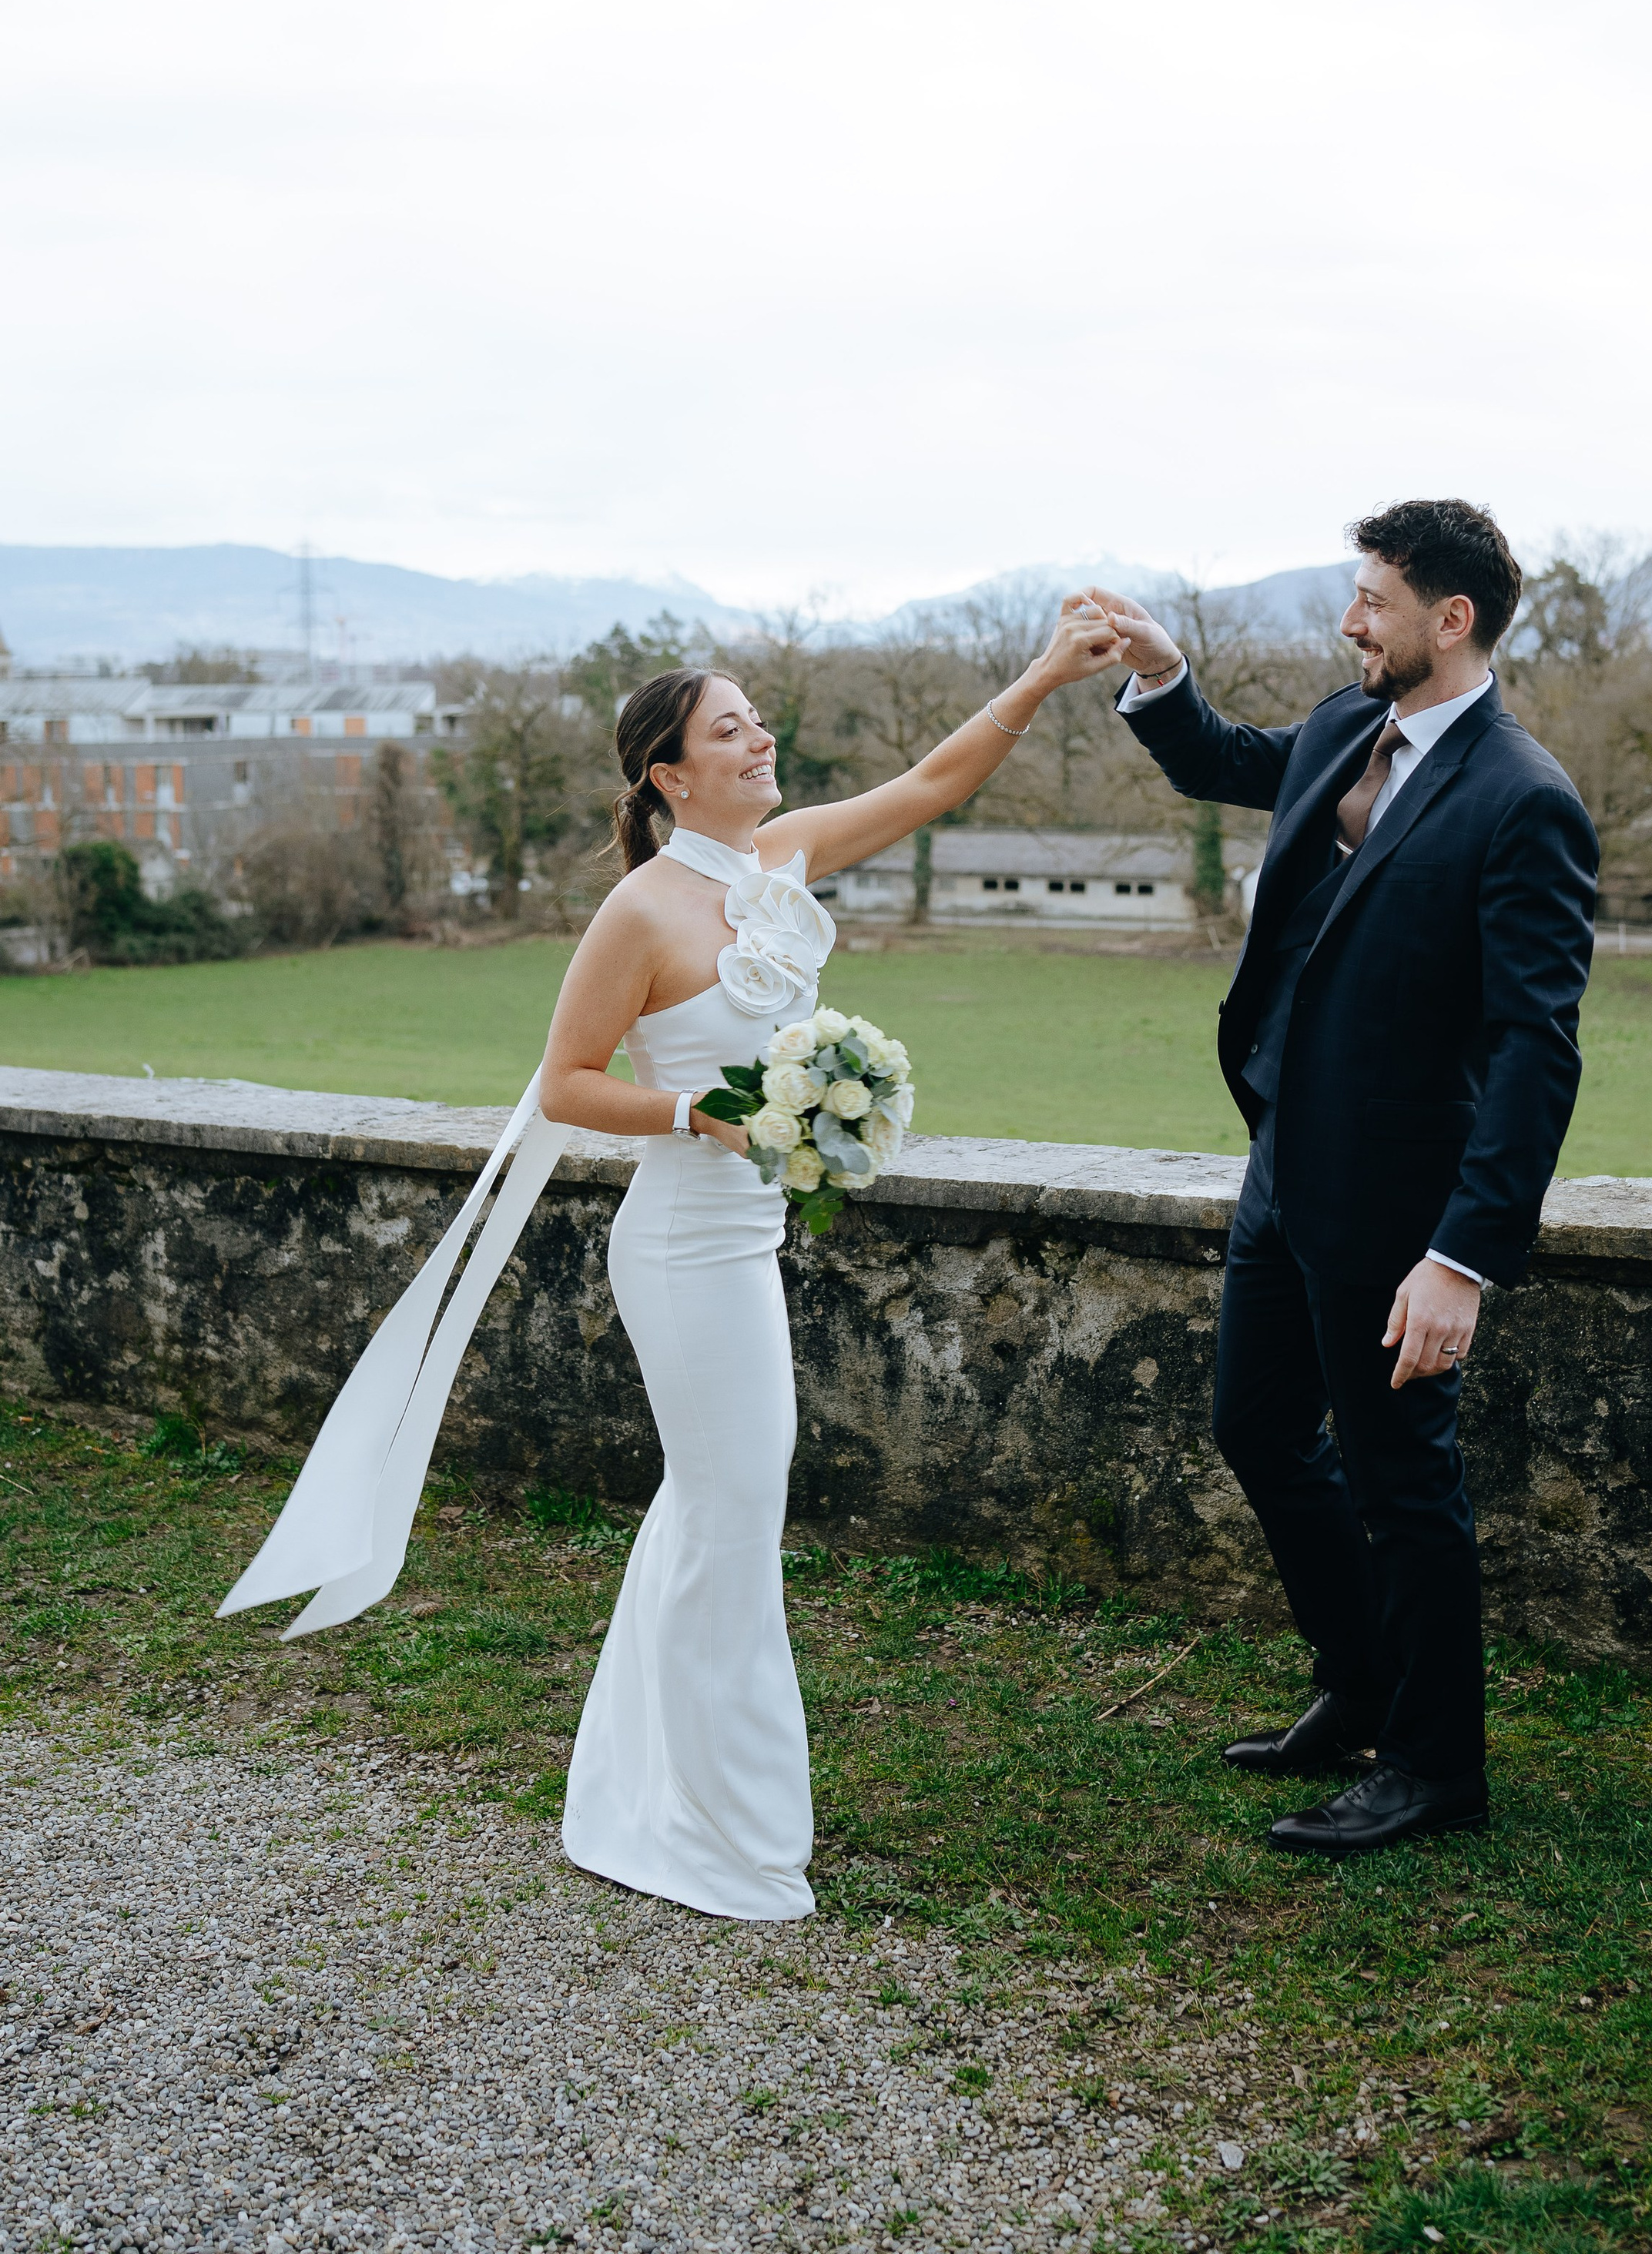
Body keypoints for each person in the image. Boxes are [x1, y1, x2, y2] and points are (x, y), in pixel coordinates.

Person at [221, 598, 1124, 1922]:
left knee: (712, 1509)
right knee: (732, 1514)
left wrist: (1047, 670)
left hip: (747, 1242)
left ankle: (651, 1788)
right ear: (669, 772)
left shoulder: (783, 861)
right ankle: (724, 1828)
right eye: (732, 727)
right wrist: (695, 1111)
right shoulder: (641, 912)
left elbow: (936, 781)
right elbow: (568, 1085)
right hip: (682, 1251)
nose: (762, 739)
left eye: (759, 719)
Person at [1089, 499, 1598, 1858]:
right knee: (1255, 1427)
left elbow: (1534, 1051)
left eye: (1371, 599)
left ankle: (1436, 1770)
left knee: (1402, 1486)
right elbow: (1220, 758)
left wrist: (1463, 1256)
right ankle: (1360, 1682)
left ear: (1452, 620)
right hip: (1281, 1164)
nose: (1348, 620)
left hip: (1400, 1205)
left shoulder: (1525, 801)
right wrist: (1155, 671)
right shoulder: (1338, 724)